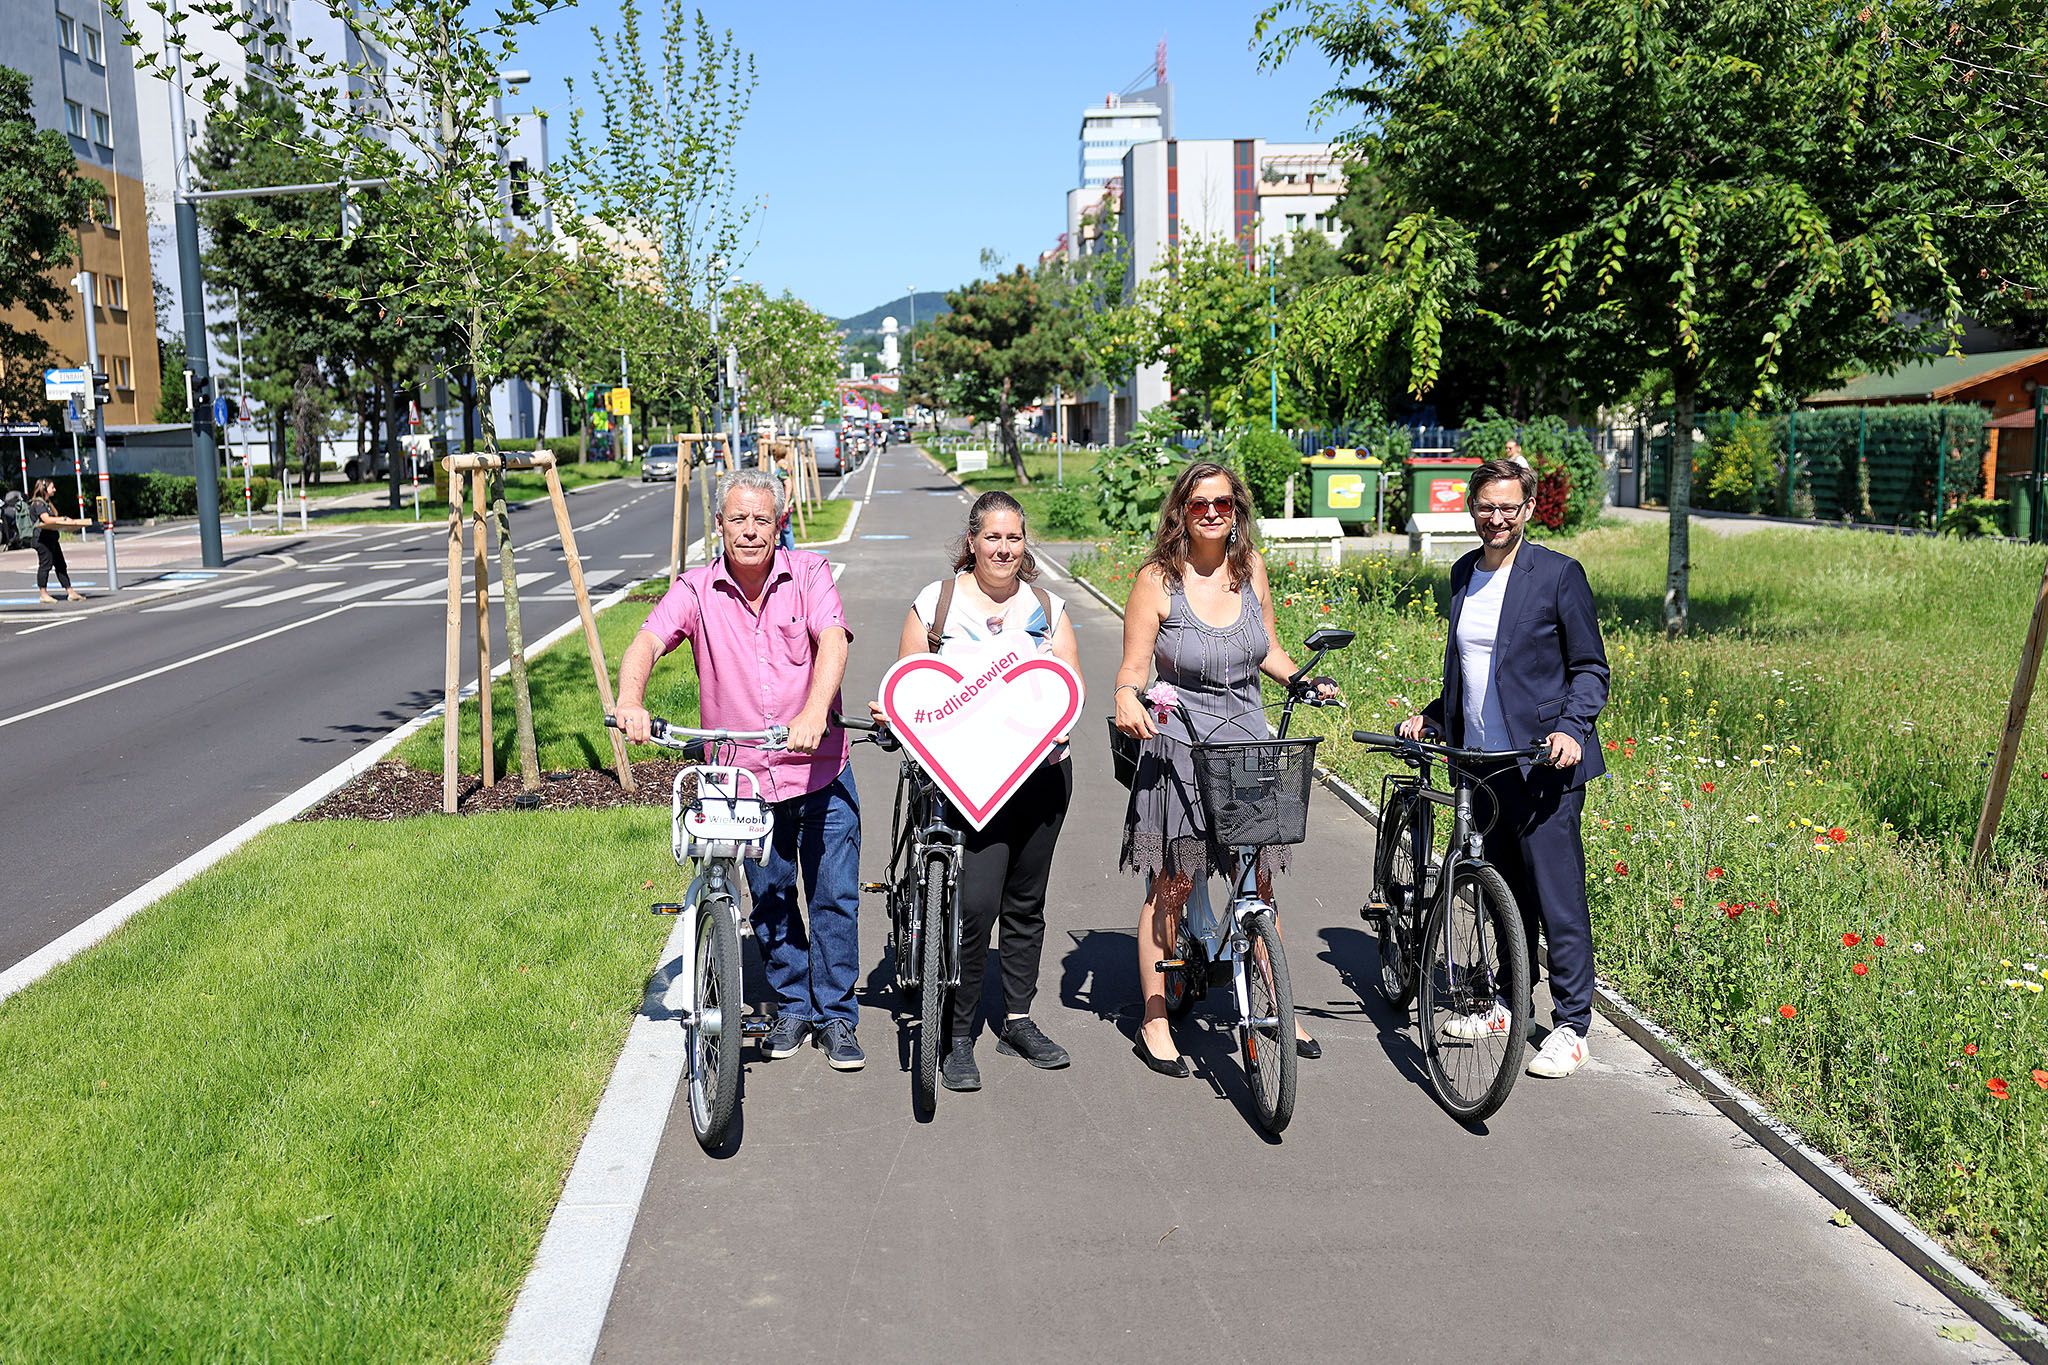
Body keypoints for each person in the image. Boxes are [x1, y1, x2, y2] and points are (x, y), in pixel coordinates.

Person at [615, 467, 866, 1071]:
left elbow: (833, 640)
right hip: (741, 776)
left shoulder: (809, 574)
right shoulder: (697, 589)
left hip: (819, 766)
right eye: (737, 519)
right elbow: (647, 641)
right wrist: (630, 701)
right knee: (771, 895)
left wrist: (813, 711)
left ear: (779, 523)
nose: (749, 531)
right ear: (720, 525)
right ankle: (791, 1004)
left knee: (833, 895)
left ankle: (836, 1015)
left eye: (761, 519)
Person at [1113, 462, 1337, 1078]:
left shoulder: (1250, 569)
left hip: (1245, 745)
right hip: (1179, 745)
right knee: (1175, 885)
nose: (1211, 511)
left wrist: (1304, 681)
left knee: (1257, 885)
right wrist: (1127, 698)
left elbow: (1268, 648)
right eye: (1198, 503)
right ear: (1181, 512)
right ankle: (1155, 1018)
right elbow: (1132, 668)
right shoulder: (1156, 581)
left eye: (1222, 502)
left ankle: (1276, 1001)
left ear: (1236, 509)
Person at [1398, 457, 1610, 1079]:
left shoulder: (1559, 575)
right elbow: (1472, 668)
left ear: (1527, 509)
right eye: (1486, 507)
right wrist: (1438, 716)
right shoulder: (1465, 572)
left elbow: (1590, 669)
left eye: (1508, 507)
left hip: (1542, 764)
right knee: (1502, 897)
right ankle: (1505, 1003)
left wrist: (1573, 729)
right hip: (1481, 763)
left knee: (1557, 896)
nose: (1496, 518)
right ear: (1472, 508)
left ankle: (1571, 1026)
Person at [887, 491, 1081, 1092]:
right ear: (972, 541)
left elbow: (1068, 687)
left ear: (1025, 544)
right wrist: (896, 714)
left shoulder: (1047, 606)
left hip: (1040, 779)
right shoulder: (936, 603)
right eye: (993, 537)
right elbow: (912, 682)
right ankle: (958, 1032)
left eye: (1014, 538)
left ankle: (1017, 1018)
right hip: (965, 784)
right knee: (974, 908)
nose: (1003, 548)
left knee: (1027, 903)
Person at [29, 479, 88, 603]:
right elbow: (47, 520)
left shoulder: (45, 503)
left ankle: (70, 592)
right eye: (52, 487)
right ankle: (43, 594)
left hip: (51, 539)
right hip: (42, 540)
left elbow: (54, 515)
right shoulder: (38, 504)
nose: (55, 490)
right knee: (45, 565)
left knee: (61, 565)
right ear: (44, 489)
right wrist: (64, 518)